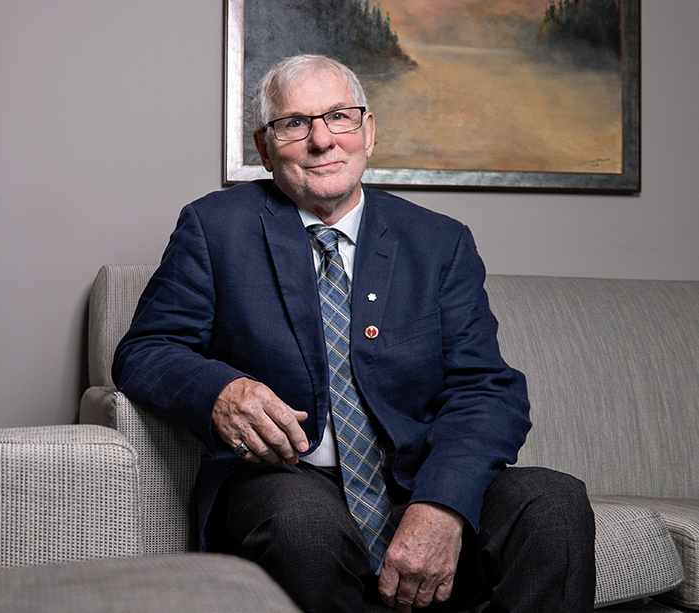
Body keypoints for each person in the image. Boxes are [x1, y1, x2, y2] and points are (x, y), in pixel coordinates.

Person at [112, 54, 595, 613]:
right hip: (285, 480)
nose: (322, 140)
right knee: (303, 523)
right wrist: (222, 391)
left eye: (339, 116)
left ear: (368, 131)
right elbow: (145, 350)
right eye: (294, 123)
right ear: (264, 148)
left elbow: (486, 389)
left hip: (415, 479)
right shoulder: (215, 227)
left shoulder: (439, 242)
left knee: (554, 503)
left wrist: (441, 504)